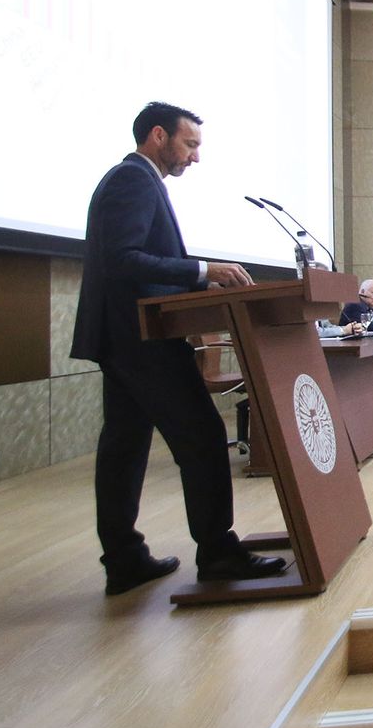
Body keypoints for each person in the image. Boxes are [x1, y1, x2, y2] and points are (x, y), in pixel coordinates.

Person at [72, 101, 285, 595]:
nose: (194, 157)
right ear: (157, 137)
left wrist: (196, 285)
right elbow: (124, 261)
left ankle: (125, 560)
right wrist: (202, 270)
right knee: (204, 436)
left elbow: (141, 263)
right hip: (140, 338)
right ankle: (218, 553)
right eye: (189, 145)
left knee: (123, 449)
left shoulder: (137, 182)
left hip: (125, 338)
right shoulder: (131, 180)